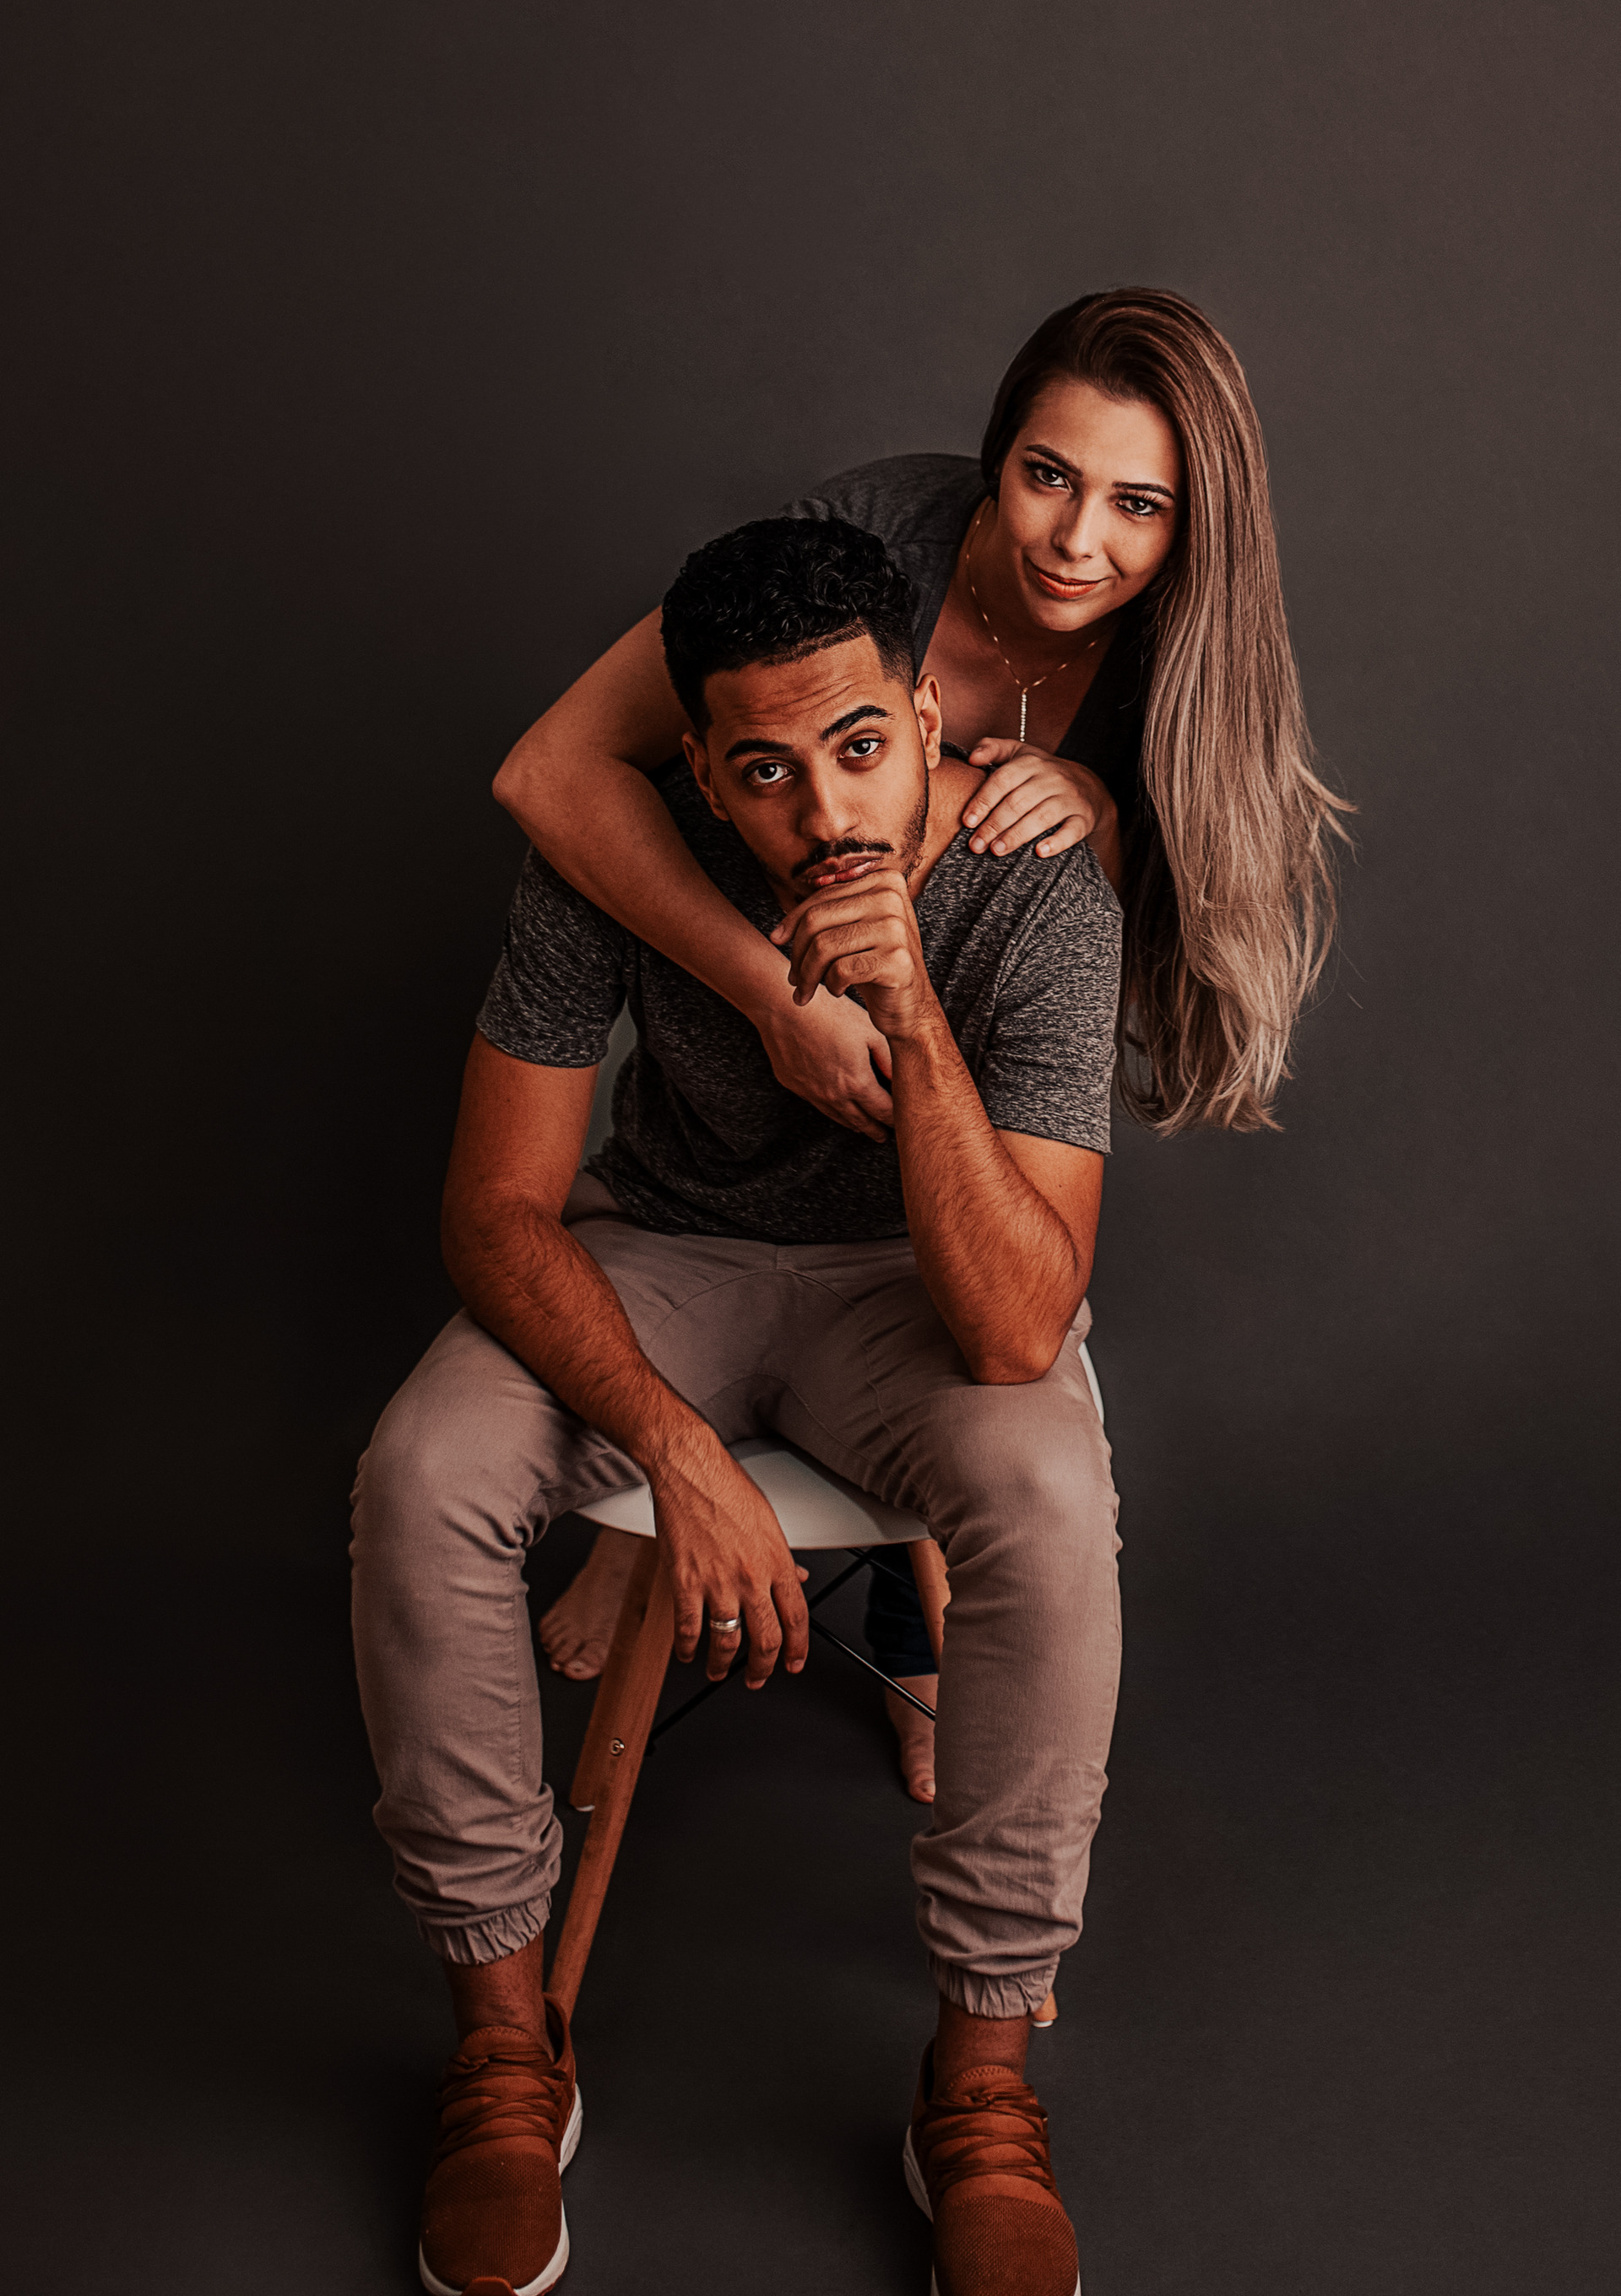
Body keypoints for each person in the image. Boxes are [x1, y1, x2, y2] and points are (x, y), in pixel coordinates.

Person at [351, 513, 1122, 2296]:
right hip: (665, 1257)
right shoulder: (613, 866)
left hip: (914, 1288)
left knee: (1052, 1499)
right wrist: (677, 1454)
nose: (824, 813)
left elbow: (1018, 1325)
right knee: (423, 1470)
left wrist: (911, 1013)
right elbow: (495, 1212)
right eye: (765, 772)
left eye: (859, 748)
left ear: (924, 720)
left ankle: (981, 2082)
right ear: (701, 769)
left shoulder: (1038, 894)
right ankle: (503, 2049)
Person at [497, 287, 1347, 1798]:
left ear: (1195, 526)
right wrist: (775, 997)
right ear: (993, 454)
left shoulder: (1185, 655)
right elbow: (552, 774)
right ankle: (655, 1507)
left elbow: (1169, 920)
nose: (1075, 542)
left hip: (972, 1029)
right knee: (735, 1214)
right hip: (763, 993)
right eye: (1046, 476)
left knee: (977, 1301)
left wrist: (1107, 820)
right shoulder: (876, 537)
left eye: (1139, 506)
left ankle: (912, 1619)